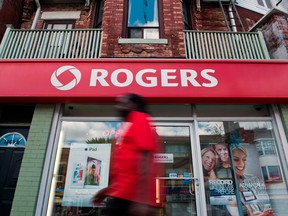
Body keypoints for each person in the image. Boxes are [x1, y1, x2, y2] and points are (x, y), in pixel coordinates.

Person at [92, 93, 159, 216]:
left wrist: (142, 200)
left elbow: (145, 157)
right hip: (123, 196)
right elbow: (126, 168)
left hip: (131, 199)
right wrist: (107, 191)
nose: (118, 107)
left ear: (133, 104)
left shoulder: (139, 118)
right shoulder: (129, 124)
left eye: (123, 103)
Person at [231, 146, 274, 216]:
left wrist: (264, 213)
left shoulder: (253, 179)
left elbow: (267, 203)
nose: (242, 164)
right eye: (236, 160)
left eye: (244, 159)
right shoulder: (226, 183)